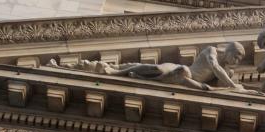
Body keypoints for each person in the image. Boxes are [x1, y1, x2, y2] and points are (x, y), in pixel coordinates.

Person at [68, 42, 247, 92]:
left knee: (176, 74)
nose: (238, 61)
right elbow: (215, 67)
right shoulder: (212, 50)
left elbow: (220, 89)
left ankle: (133, 76)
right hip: (182, 70)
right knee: (157, 69)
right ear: (231, 50)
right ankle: (116, 71)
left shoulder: (229, 72)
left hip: (185, 80)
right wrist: (232, 85)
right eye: (238, 56)